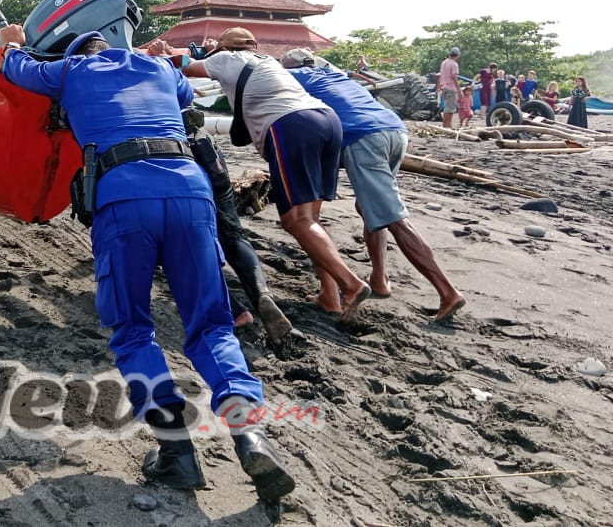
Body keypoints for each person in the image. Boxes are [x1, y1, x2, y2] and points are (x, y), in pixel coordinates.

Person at [0, 24, 295, 502]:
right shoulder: (159, 67)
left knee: (133, 329)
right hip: (191, 192)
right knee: (212, 326)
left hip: (123, 197)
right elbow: (181, 92)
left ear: (77, 54)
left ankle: (176, 451)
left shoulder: (69, 69)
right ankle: (249, 433)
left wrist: (10, 41)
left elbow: (17, 69)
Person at [156, 28, 372, 320]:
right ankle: (330, 297)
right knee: (310, 219)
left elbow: (180, 65)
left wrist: (162, 53)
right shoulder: (268, 61)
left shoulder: (226, 59)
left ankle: (351, 284)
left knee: (296, 220)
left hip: (290, 125)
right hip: (326, 120)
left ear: (223, 49)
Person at [281, 49, 467, 322]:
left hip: (363, 136)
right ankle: (379, 279)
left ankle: (448, 292)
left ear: (292, 66)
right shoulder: (336, 76)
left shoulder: (295, 75)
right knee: (371, 209)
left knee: (394, 217)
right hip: (395, 131)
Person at [181, 109, 301, 350]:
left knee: (180, 242)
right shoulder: (165, 72)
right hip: (204, 147)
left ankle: (235, 310)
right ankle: (261, 294)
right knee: (232, 233)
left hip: (170, 161)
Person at [437, 47, 461, 128]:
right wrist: (459, 90)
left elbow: (441, 75)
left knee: (447, 107)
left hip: (444, 87)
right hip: (451, 87)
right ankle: (447, 125)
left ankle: (445, 124)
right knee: (450, 108)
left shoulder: (444, 62)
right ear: (457, 55)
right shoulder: (454, 64)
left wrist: (438, 86)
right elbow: (454, 77)